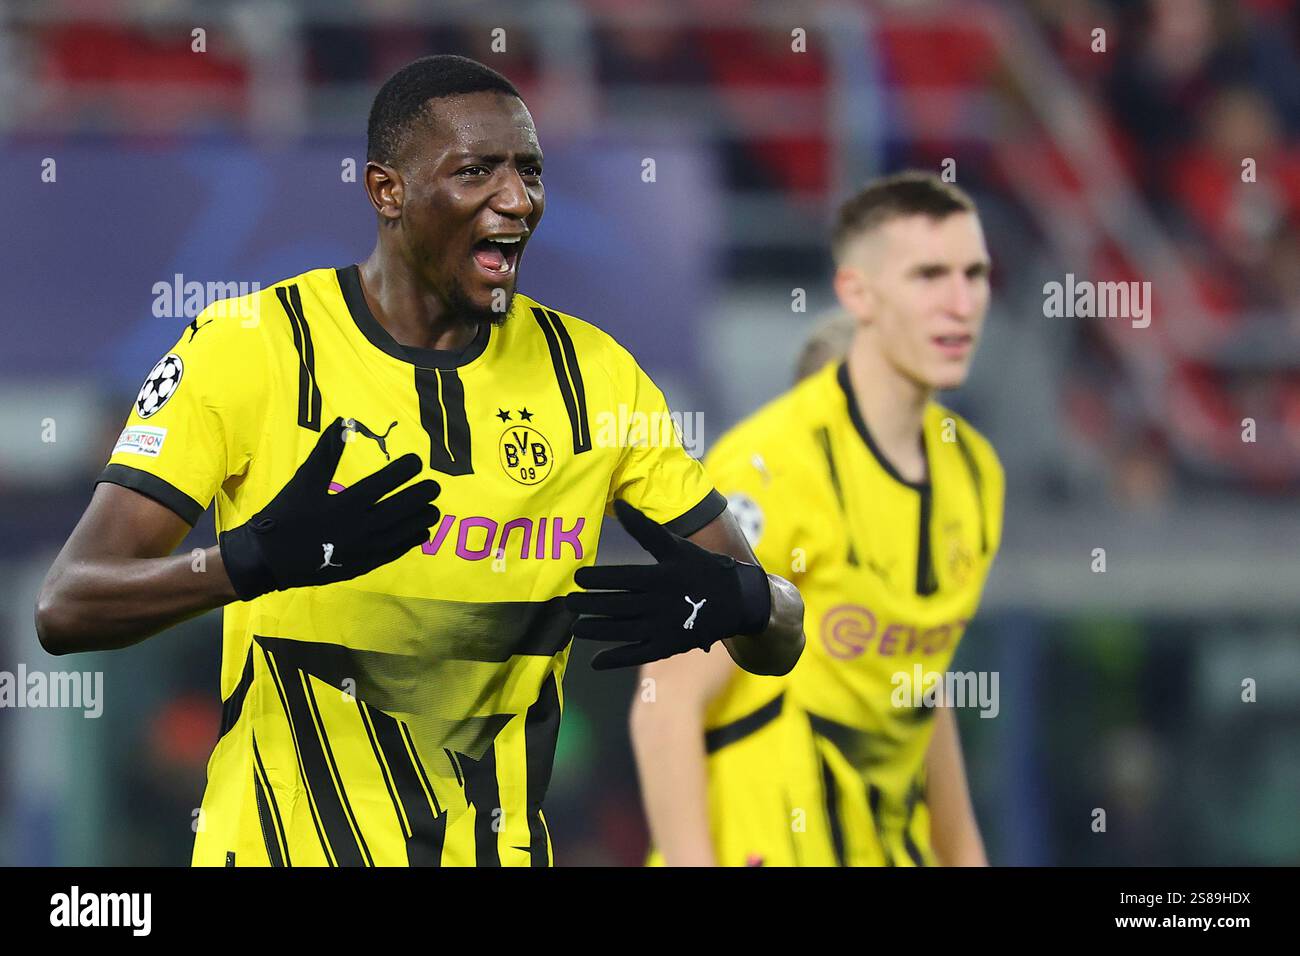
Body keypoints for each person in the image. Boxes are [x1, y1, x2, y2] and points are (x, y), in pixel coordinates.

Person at [35, 55, 804, 867]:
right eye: (477, 172)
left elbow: (776, 633)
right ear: (386, 191)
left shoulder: (597, 379)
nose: (517, 200)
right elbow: (66, 605)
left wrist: (752, 599)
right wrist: (248, 562)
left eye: (530, 171)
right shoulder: (249, 349)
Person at [632, 171, 1002, 866]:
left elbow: (926, 699)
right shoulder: (768, 477)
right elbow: (666, 699)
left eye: (975, 274)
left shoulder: (960, 496)